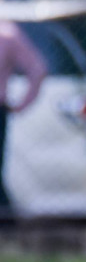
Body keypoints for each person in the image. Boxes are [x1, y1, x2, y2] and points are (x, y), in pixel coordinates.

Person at [0, 19, 48, 214]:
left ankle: (9, 225)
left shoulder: (7, 34)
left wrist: (22, 104)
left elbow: (38, 69)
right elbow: (38, 69)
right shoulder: (8, 34)